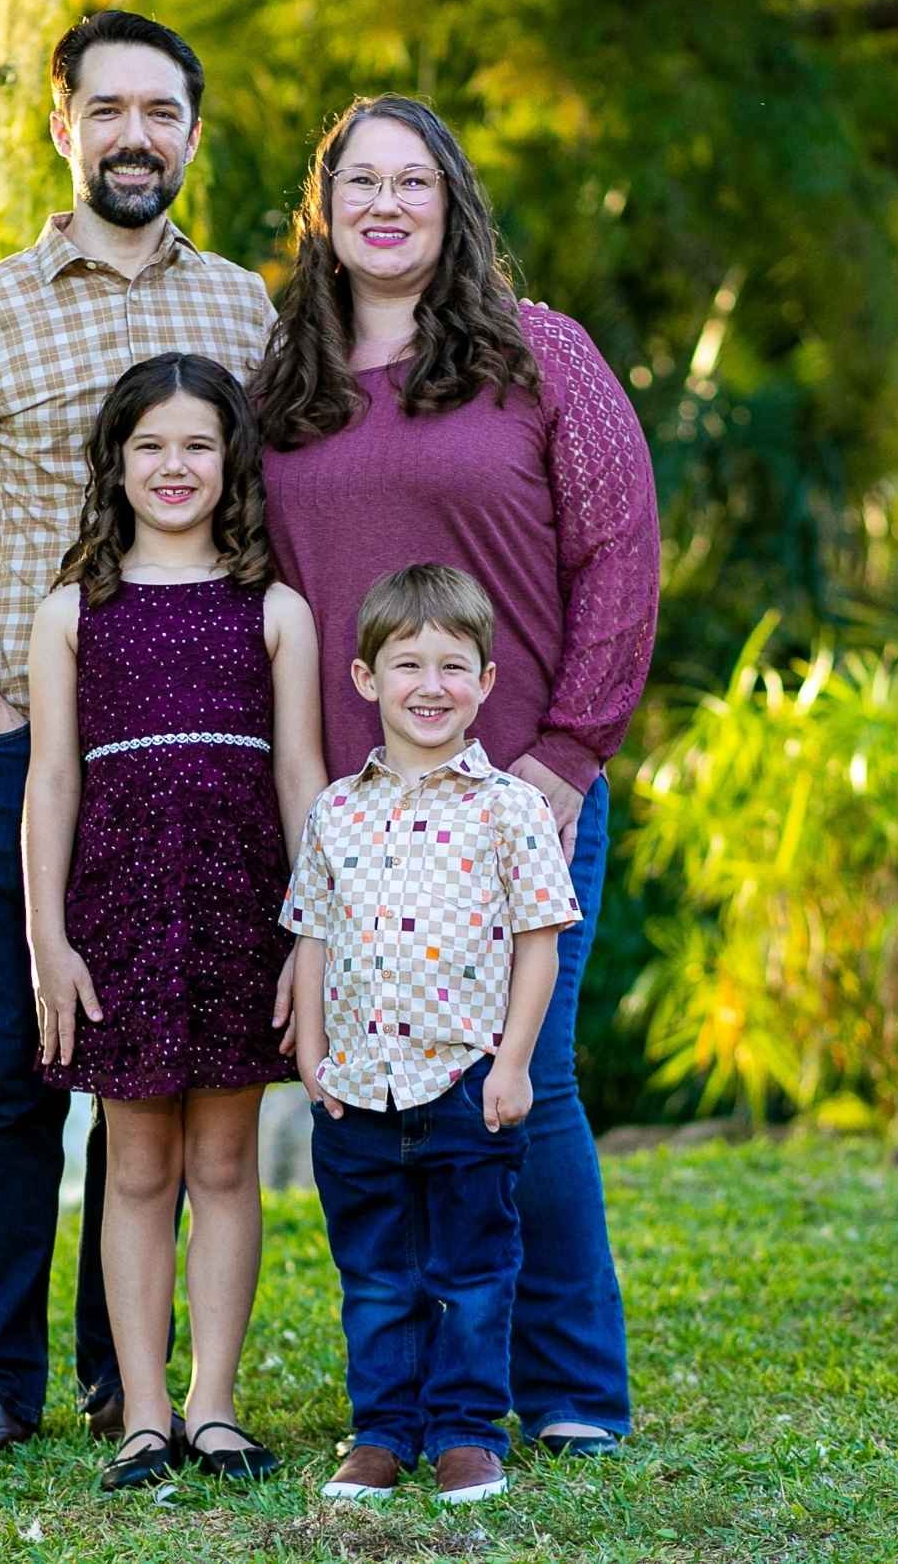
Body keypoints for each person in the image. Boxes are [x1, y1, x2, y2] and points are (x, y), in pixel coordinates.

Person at [0, 11, 276, 1469]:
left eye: (161, 113)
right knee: (17, 1069)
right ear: (63, 127)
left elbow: (271, 518)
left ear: (188, 134)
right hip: (34, 748)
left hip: (197, 753)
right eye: (107, 109)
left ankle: (139, 1381)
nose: (135, 135)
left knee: (161, 1067)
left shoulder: (246, 309)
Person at [256, 96, 659, 1457]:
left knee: (523, 1079)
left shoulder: (539, 353)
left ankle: (571, 1385)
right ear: (324, 206)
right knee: (374, 1092)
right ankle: (419, 1390)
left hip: (514, 798)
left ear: (452, 201)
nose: (386, 204)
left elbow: (622, 551)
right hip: (353, 818)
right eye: (359, 181)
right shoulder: (282, 382)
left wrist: (569, 750)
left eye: (412, 181)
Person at [24, 353, 323, 1491]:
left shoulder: (275, 609)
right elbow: (52, 783)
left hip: (243, 906)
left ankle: (213, 1404)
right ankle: (142, 1411)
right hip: (120, 915)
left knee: (226, 1159)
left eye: (197, 444)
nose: (174, 465)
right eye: (150, 445)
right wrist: (49, 938)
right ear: (115, 463)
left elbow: (300, 775)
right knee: (137, 1165)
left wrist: (311, 928)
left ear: (231, 461)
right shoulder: (73, 611)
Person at [284, 562, 580, 1505]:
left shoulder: (510, 810)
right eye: (407, 664)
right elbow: (314, 938)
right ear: (366, 678)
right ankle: (380, 1431)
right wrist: (310, 1055)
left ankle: (463, 1432)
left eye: (453, 666)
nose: (430, 686)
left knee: (473, 1269)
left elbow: (540, 945)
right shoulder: (336, 811)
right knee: (374, 1272)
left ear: (486, 682)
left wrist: (517, 1062)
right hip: (359, 1088)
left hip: (464, 1084)